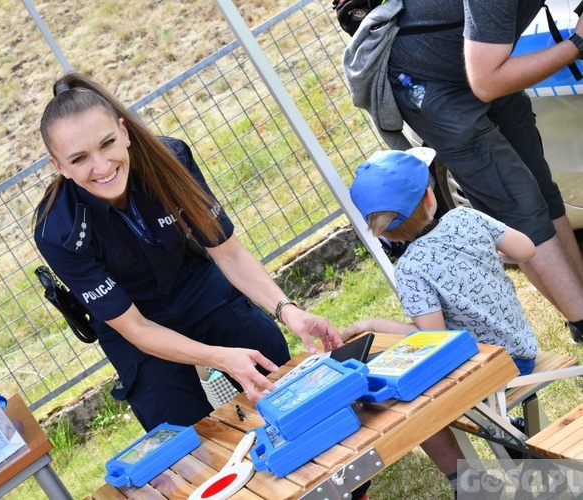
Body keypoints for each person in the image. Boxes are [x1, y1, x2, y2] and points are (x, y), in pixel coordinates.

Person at [33, 72, 342, 432]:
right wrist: (220, 359)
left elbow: (229, 253)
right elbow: (134, 326)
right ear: (59, 167)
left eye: (107, 143)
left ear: (125, 132)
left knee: (282, 383)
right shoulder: (57, 232)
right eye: (79, 158)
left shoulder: (172, 159)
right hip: (137, 328)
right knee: (185, 438)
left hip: (199, 287)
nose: (101, 166)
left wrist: (288, 311)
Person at [385, 1, 583, 343]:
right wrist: (577, 45)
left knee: (543, 191)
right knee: (521, 208)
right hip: (433, 84)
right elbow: (486, 82)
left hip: (479, 61)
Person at [344, 147, 539, 492]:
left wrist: (376, 325)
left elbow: (434, 338)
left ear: (383, 231)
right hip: (522, 352)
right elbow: (525, 250)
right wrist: (487, 257)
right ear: (431, 197)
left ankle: (469, 483)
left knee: (404, 392)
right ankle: (508, 431)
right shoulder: (465, 219)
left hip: (487, 372)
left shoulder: (410, 269)